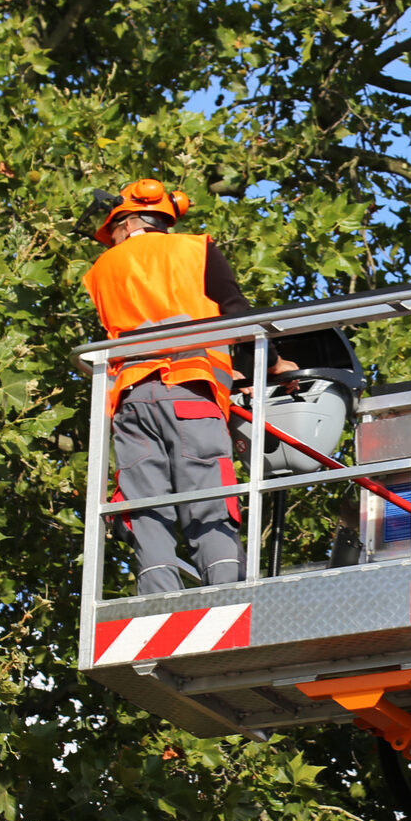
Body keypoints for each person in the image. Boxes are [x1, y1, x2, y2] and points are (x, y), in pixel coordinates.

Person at [78, 178, 295, 594]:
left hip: (130, 398)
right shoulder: (194, 249)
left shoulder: (102, 270)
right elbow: (237, 315)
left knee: (144, 501)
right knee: (207, 491)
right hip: (189, 389)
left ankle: (156, 593)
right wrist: (269, 366)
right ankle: (227, 589)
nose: (112, 239)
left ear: (127, 221)